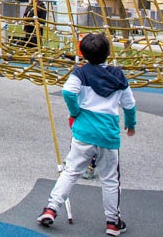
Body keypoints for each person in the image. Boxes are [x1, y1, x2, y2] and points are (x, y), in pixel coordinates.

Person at [38, 33, 137, 236]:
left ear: (82, 54)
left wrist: (75, 112)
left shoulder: (80, 73)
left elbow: (68, 92)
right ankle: (112, 222)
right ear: (108, 53)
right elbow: (129, 104)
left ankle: (51, 208)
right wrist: (130, 124)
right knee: (110, 179)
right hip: (108, 136)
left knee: (71, 171)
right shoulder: (118, 76)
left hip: (84, 132)